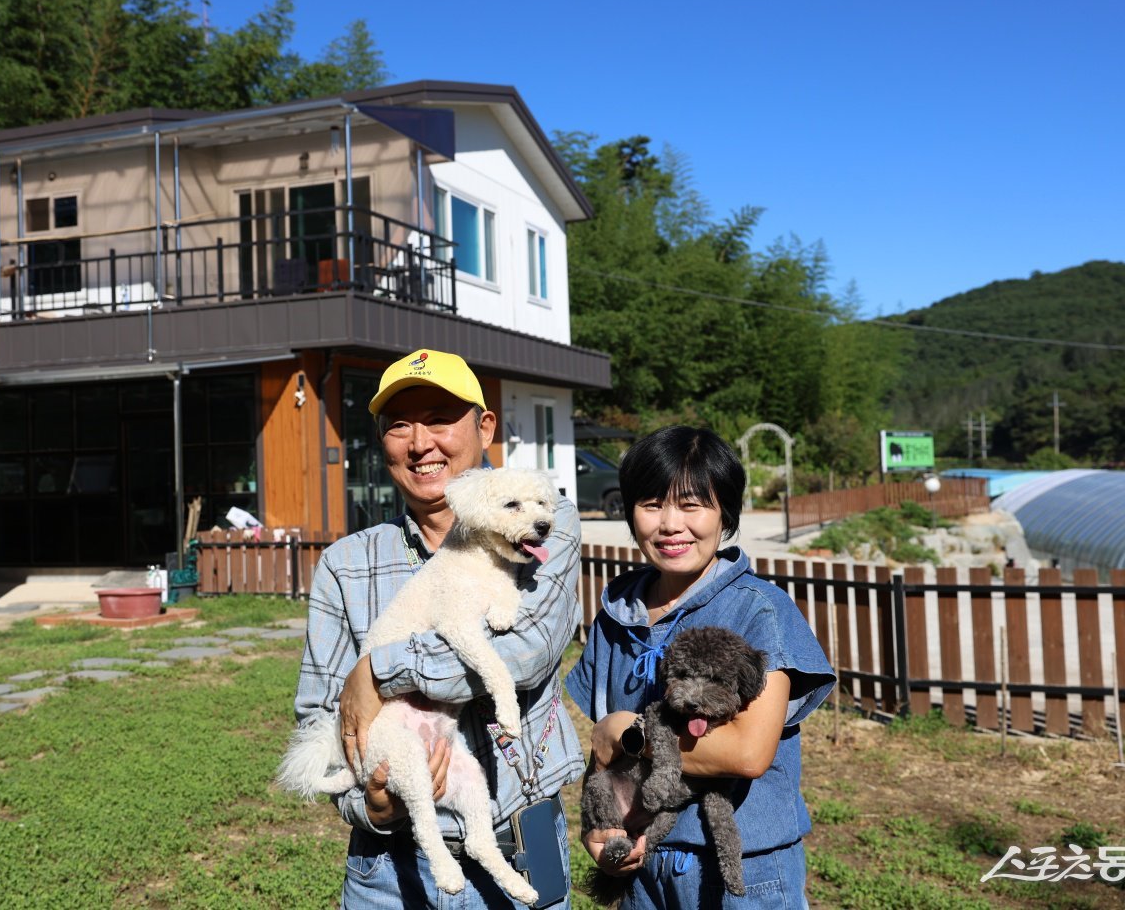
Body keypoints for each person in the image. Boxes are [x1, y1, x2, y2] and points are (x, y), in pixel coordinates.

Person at [294, 348, 585, 908]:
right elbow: (321, 715)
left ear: (485, 427)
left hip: (520, 848)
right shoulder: (346, 563)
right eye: (399, 425)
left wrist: (376, 671)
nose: (419, 442)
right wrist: (370, 806)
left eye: (439, 418)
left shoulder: (546, 523)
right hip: (387, 872)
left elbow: (526, 652)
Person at [565, 426, 835, 908]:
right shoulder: (617, 615)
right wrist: (598, 829)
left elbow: (747, 753)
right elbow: (603, 755)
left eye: (692, 505)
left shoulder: (758, 610)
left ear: (724, 513)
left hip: (741, 871)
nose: (670, 524)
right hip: (643, 870)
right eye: (651, 504)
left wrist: (629, 735)